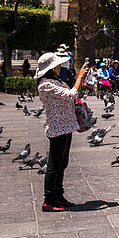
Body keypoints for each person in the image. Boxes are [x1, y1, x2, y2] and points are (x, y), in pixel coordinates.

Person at [36, 52, 89, 212]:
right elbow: (71, 94)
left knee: (62, 163)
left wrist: (81, 79)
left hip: (67, 125)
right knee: (53, 164)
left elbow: (72, 95)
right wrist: (79, 77)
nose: (60, 67)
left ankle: (59, 196)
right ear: (50, 69)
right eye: (57, 65)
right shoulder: (45, 85)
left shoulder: (55, 81)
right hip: (57, 127)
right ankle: (49, 200)